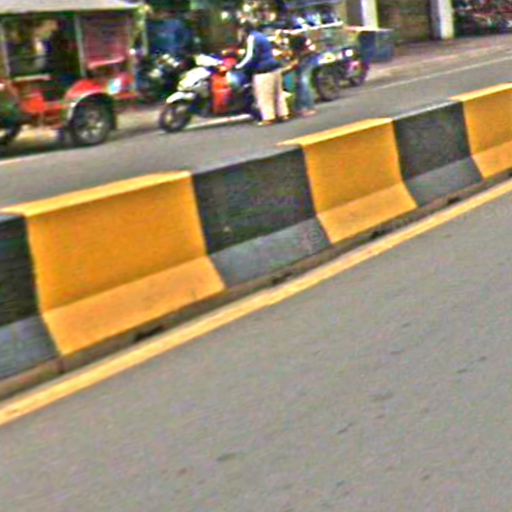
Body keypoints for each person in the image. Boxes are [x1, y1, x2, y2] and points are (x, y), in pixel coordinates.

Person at [236, 20, 289, 126]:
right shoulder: (261, 35)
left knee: (264, 96)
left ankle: (268, 118)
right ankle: (283, 114)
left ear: (244, 30)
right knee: (278, 94)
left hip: (263, 70)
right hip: (275, 67)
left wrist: (239, 66)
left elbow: (251, 56)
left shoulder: (252, 38)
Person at [289, 31, 317, 117]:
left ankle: (308, 107)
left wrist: (296, 59)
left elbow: (300, 54)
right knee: (300, 83)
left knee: (303, 82)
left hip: (305, 59)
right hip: (305, 59)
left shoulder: (296, 43)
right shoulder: (299, 40)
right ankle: (300, 108)